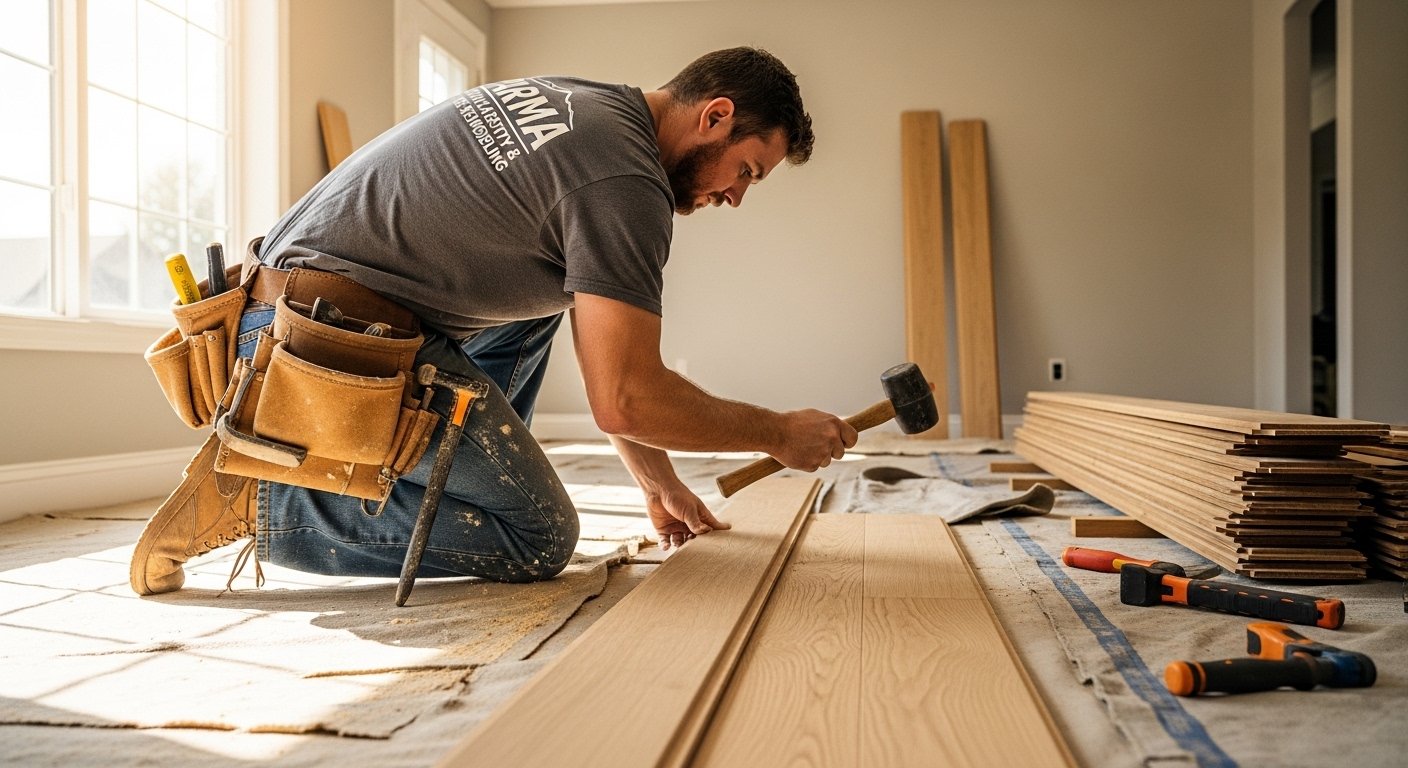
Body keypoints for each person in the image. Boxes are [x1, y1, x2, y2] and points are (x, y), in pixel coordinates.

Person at [130, 46, 857, 595]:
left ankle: (412, 478)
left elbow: (615, 373)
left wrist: (656, 483)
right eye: (747, 172)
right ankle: (269, 504)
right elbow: (626, 399)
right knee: (539, 537)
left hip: (276, 318)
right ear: (717, 116)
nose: (736, 197)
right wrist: (776, 432)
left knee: (545, 302)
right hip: (321, 347)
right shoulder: (626, 183)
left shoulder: (589, 106)